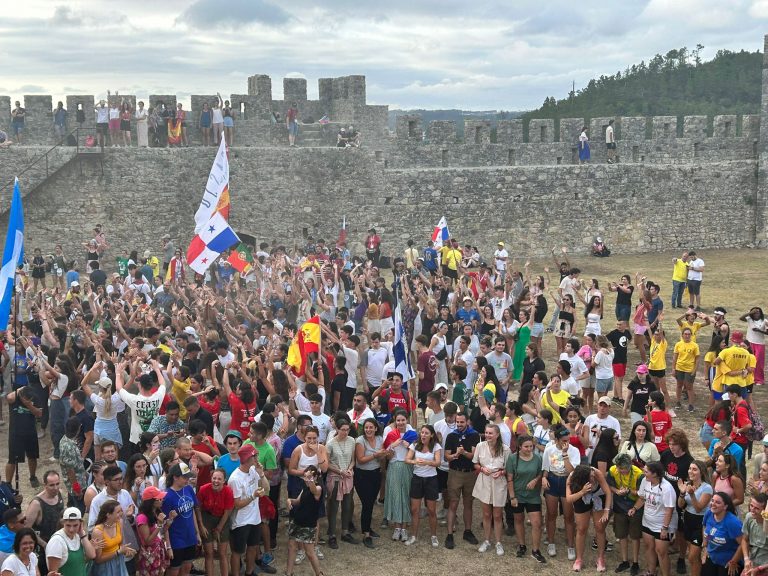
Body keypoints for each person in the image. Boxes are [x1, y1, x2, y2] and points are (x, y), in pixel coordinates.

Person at [629, 461, 678, 576]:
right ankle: (651, 572)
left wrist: (665, 528)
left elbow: (669, 509)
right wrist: (635, 508)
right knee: (648, 547)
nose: (643, 473)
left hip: (663, 525)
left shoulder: (667, 488)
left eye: (646, 471)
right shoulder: (645, 481)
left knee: (661, 552)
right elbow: (642, 498)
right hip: (647, 522)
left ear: (655, 474)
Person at [506, 435, 545, 563]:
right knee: (518, 519)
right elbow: (510, 478)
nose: (529, 449)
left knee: (537, 523)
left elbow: (541, 473)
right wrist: (512, 497)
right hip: (517, 495)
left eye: (531, 446)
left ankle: (536, 550)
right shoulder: (512, 458)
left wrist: (536, 480)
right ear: (519, 447)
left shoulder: (538, 458)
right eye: (526, 447)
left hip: (533, 496)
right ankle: (522, 545)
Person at [542, 425, 579, 559]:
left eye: (568, 440)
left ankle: (571, 545)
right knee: (551, 513)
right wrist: (544, 478)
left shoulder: (574, 451)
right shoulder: (549, 450)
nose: (566, 443)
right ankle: (551, 542)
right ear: (557, 440)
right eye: (563, 440)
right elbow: (546, 468)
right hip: (553, 479)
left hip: (567, 481)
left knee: (568, 515)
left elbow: (571, 471)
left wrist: (565, 454)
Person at [566, 464, 612, 572]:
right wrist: (582, 492)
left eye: (592, 475)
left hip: (598, 496)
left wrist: (606, 510)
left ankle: (600, 558)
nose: (593, 477)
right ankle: (579, 559)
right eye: (590, 477)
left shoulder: (597, 473)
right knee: (581, 528)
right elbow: (569, 499)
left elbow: (608, 492)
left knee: (600, 527)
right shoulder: (572, 478)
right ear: (582, 478)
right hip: (580, 495)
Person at [472, 424, 510, 556]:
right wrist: (482, 469)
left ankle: (498, 542)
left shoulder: (505, 449)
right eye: (486, 433)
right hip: (484, 481)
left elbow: (509, 468)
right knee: (486, 514)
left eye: (490, 433)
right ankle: (487, 540)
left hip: (499, 482)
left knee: (498, 515)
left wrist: (501, 472)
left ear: (497, 435)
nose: (488, 435)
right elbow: (475, 463)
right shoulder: (480, 446)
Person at [161, 463, 202, 576]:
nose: (187, 479)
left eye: (188, 477)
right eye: (185, 477)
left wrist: (197, 533)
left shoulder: (188, 489)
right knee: (174, 572)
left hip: (190, 537)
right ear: (175, 477)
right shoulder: (167, 496)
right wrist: (168, 546)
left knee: (187, 569)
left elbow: (192, 511)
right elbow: (164, 524)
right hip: (176, 540)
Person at [404, 425, 441, 547]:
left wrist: (427, 462)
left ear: (431, 435)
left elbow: (438, 463)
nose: (423, 435)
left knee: (431, 510)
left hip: (431, 480)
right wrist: (415, 461)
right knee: (415, 510)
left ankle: (434, 536)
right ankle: (413, 536)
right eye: (422, 432)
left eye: (426, 433)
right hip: (417, 479)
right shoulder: (415, 445)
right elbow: (407, 459)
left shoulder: (436, 446)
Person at [608, 453, 644, 575]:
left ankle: (635, 562)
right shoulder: (613, 470)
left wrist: (629, 492)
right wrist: (617, 491)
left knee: (635, 536)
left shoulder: (639, 474)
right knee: (621, 535)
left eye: (623, 468)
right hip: (619, 507)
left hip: (635, 507)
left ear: (630, 466)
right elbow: (610, 485)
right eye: (618, 467)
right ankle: (624, 561)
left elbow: (642, 495)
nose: (620, 470)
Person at [285, 465, 323, 576]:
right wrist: (289, 500)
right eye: (305, 477)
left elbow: (314, 490)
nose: (306, 479)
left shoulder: (318, 489)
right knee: (292, 547)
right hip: (297, 521)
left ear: (315, 477)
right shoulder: (304, 488)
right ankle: (289, 573)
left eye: (309, 477)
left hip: (308, 524)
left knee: (310, 552)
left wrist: (310, 480)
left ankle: (319, 574)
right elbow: (297, 501)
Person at [677, 461, 713, 576]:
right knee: (693, 557)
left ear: (701, 472)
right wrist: (682, 493)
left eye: (694, 469)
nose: (690, 471)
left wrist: (692, 494)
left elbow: (698, 508)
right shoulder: (687, 484)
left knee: (692, 557)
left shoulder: (707, 488)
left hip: (700, 523)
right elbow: (680, 505)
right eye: (690, 468)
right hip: (688, 521)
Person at [353, 418, 385, 548]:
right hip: (362, 475)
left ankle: (367, 528)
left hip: (375, 474)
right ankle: (366, 534)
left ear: (376, 428)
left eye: (371, 427)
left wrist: (385, 455)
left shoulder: (380, 439)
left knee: (371, 503)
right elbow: (360, 459)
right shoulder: (360, 441)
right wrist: (375, 455)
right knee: (366, 503)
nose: (368, 430)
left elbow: (382, 456)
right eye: (366, 427)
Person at [325, 418, 357, 548]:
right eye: (343, 430)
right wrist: (339, 471)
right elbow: (327, 464)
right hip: (335, 478)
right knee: (333, 506)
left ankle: (345, 531)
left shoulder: (352, 440)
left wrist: (349, 469)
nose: (345, 432)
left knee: (347, 505)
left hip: (347, 477)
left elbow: (353, 459)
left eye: (347, 430)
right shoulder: (330, 444)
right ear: (337, 429)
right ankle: (332, 534)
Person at [197, 469, 233, 576]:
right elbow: (197, 508)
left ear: (224, 480)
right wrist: (201, 525)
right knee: (209, 553)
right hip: (207, 518)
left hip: (222, 518)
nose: (216, 481)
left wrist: (219, 528)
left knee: (222, 553)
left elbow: (227, 512)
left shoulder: (228, 491)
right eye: (214, 478)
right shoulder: (203, 489)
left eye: (219, 479)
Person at [91, 500, 138, 576]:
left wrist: (126, 551)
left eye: (121, 511)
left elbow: (120, 545)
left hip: (119, 562)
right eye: (118, 512)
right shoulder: (98, 532)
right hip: (105, 567)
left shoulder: (119, 523)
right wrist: (118, 552)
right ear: (108, 515)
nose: (121, 513)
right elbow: (98, 560)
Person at [45, 507, 97, 576]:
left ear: (81, 524)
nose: (71, 529)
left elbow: (92, 555)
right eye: (68, 525)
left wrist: (82, 535)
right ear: (63, 523)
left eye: (75, 525)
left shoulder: (79, 536)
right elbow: (53, 573)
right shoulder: (57, 541)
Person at [701, 492, 743, 576]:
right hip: (712, 558)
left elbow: (743, 543)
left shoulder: (732, 522)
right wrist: (705, 547)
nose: (713, 504)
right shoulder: (709, 513)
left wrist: (734, 561)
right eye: (712, 500)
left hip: (728, 563)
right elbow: (709, 531)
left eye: (718, 502)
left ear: (725, 507)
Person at [673, 327, 700, 412]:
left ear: (691, 335)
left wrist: (695, 370)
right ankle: (678, 402)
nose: (687, 336)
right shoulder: (678, 344)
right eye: (685, 334)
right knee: (679, 385)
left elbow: (697, 359)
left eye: (689, 334)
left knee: (689, 387)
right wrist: (673, 369)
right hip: (679, 368)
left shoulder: (695, 345)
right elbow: (675, 357)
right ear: (682, 335)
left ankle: (691, 405)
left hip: (689, 369)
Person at [741, 493, 768, 576]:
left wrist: (760, 568)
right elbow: (744, 540)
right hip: (753, 561)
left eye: (757, 508)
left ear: (764, 511)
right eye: (751, 506)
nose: (752, 510)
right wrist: (746, 558)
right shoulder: (749, 517)